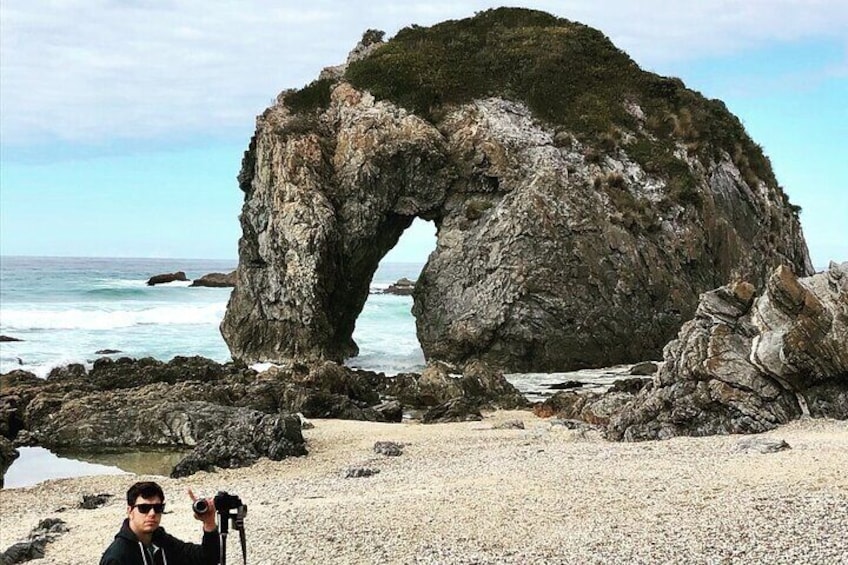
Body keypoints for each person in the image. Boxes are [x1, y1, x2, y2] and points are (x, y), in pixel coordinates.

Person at [100, 481, 221, 565]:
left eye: (158, 508)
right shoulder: (117, 558)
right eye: (144, 508)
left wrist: (209, 523)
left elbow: (208, 559)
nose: (152, 513)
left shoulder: (162, 541)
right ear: (130, 511)